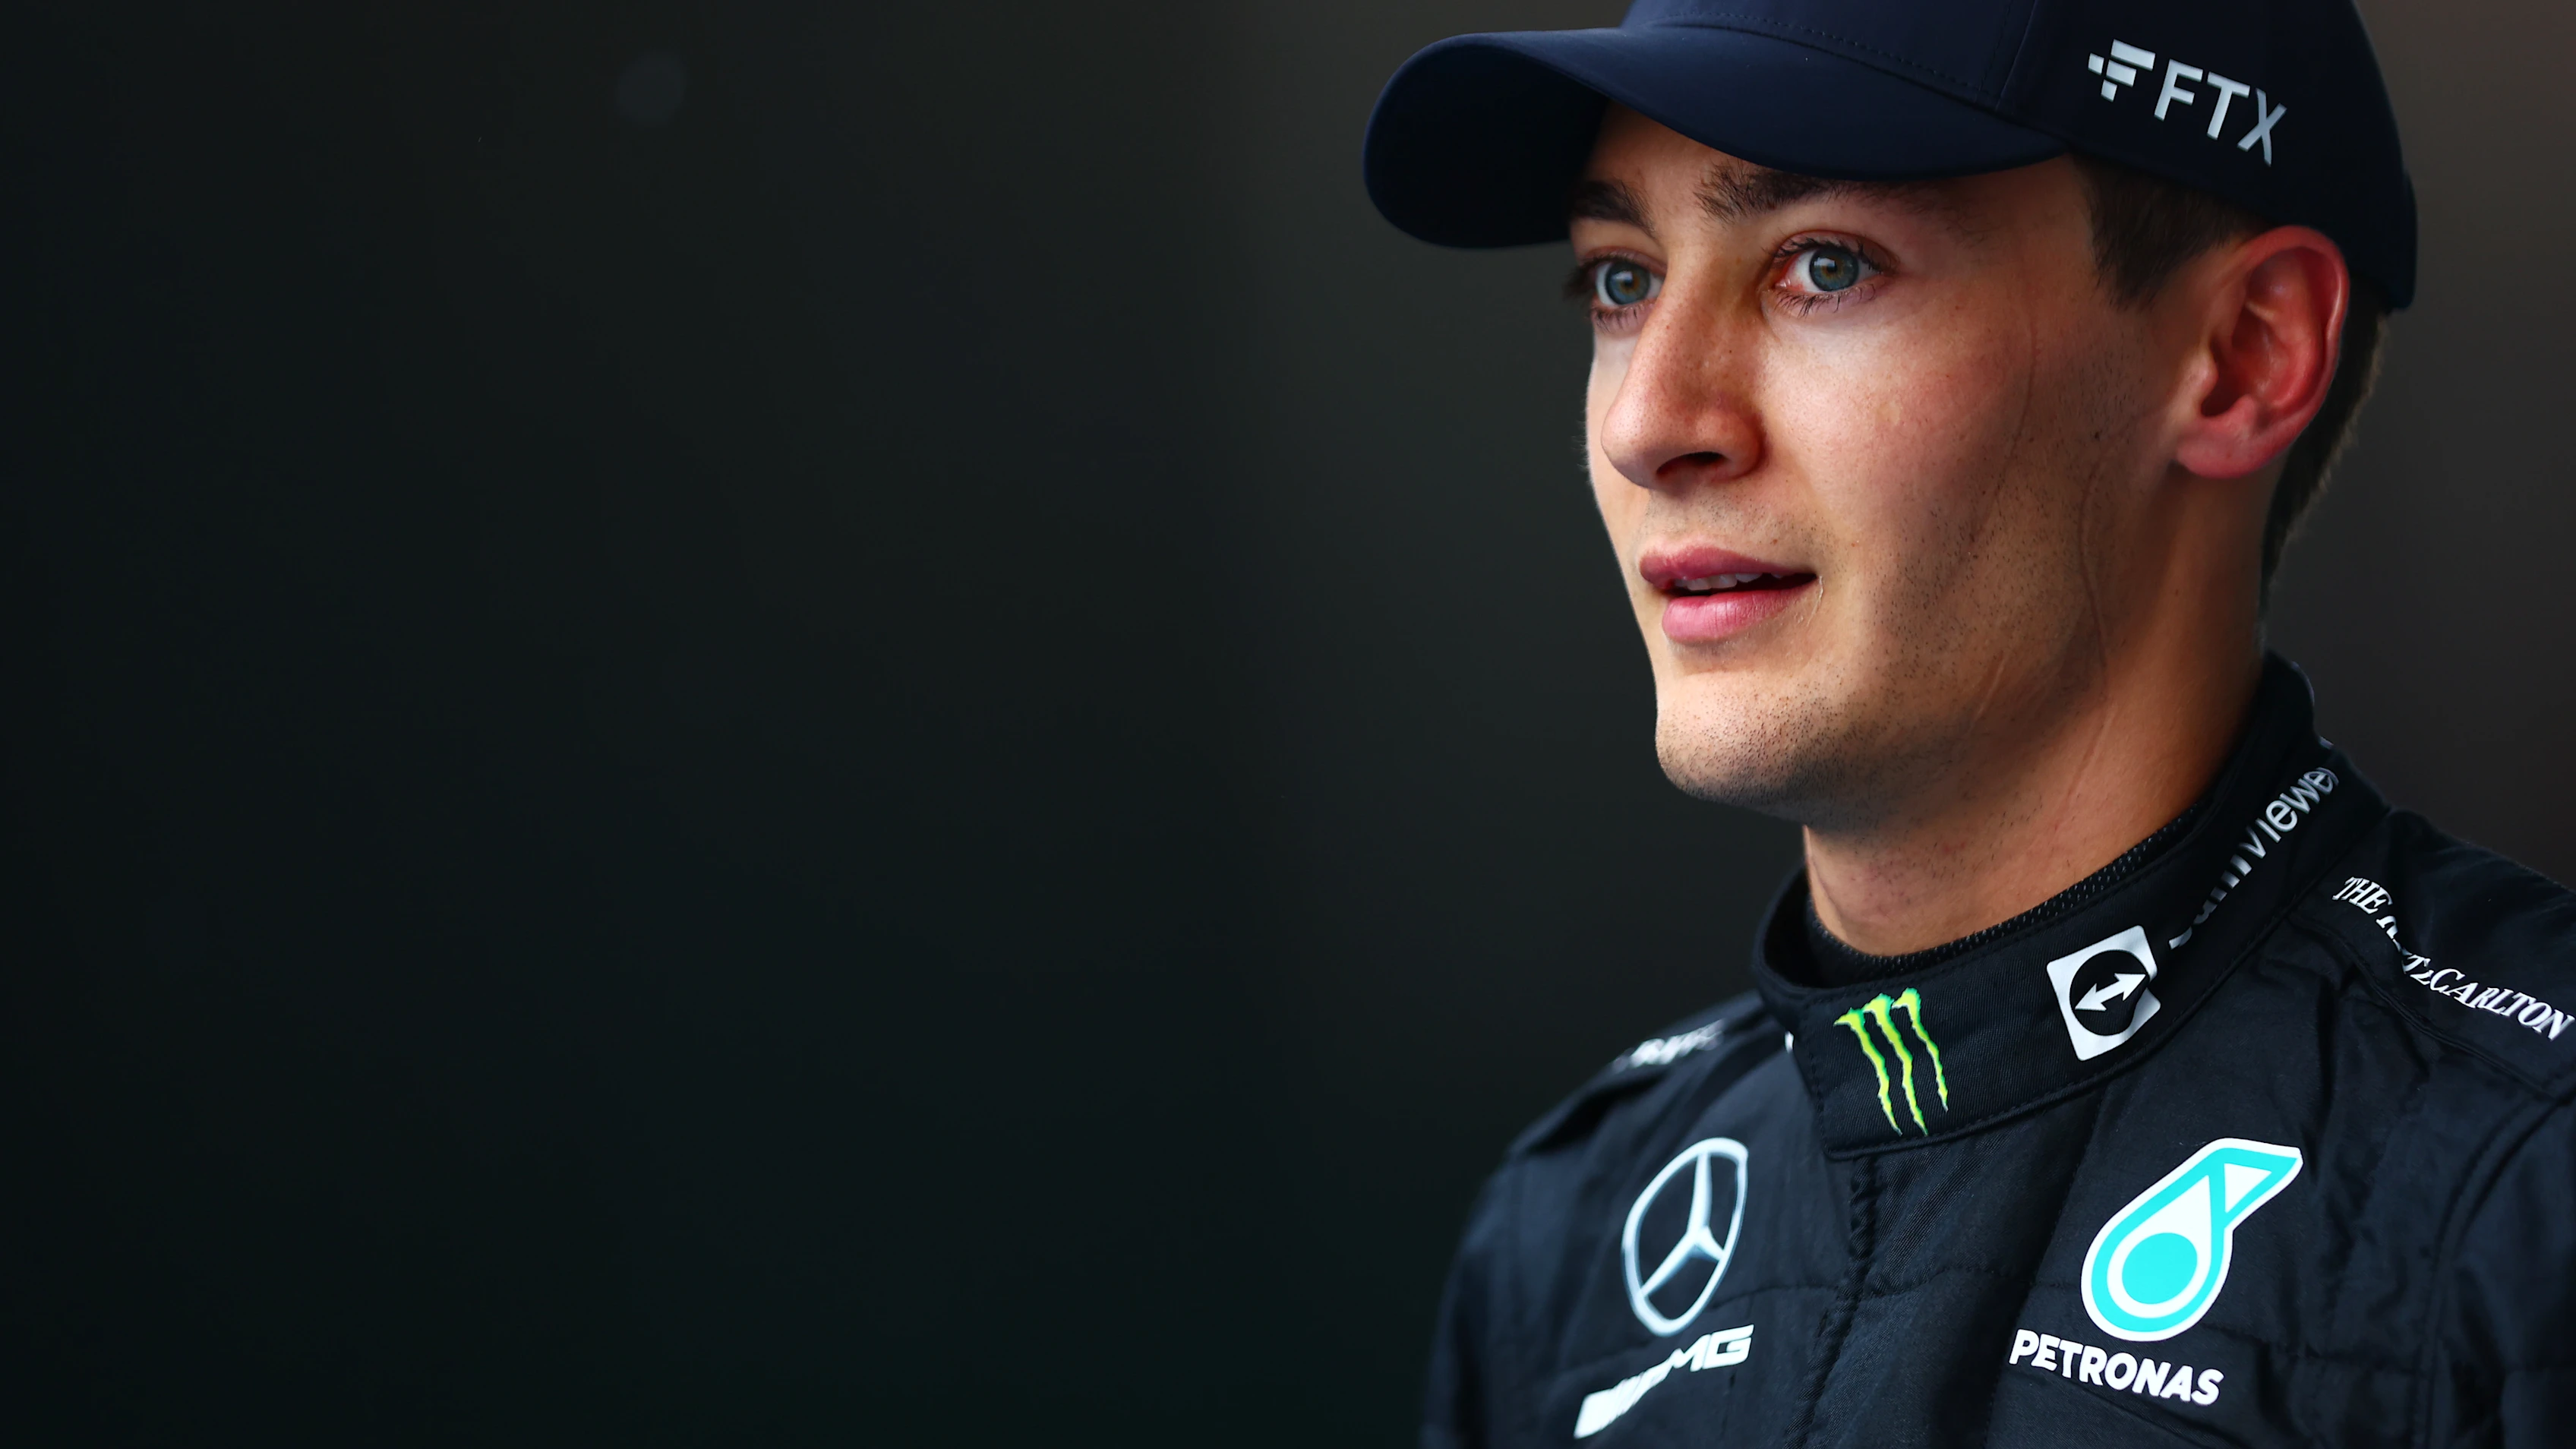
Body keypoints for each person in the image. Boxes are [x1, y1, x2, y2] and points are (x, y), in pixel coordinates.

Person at [1362, 0, 2576, 1444]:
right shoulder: (1567, 1244)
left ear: (2247, 357)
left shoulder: (2537, 1187)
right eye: (1622, 280)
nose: (1650, 422)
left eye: (1825, 267)